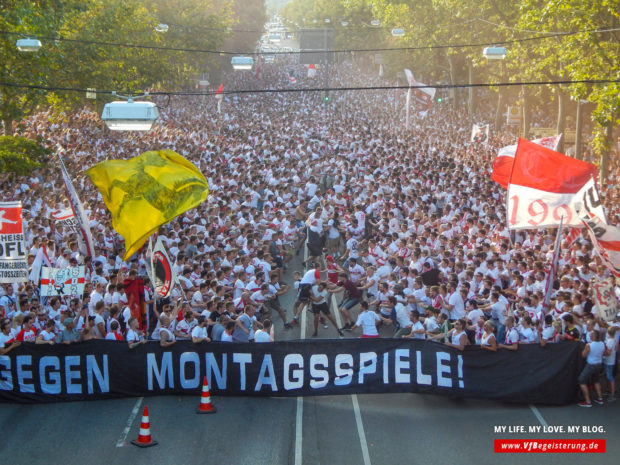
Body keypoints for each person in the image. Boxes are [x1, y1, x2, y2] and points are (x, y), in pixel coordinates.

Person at [577, 329, 608, 407]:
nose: (589, 336)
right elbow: (605, 353)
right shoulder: (602, 344)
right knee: (596, 381)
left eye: (591, 334)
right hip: (599, 364)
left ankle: (588, 401)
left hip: (591, 365)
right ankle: (600, 398)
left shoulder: (589, 345)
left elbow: (583, 355)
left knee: (581, 380)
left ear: (593, 336)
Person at [603, 326, 617, 402]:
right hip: (610, 360)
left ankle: (612, 393)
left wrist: (602, 353)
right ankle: (608, 390)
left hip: (609, 360)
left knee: (610, 377)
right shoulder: (614, 340)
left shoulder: (610, 341)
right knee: (608, 376)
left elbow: (608, 352)